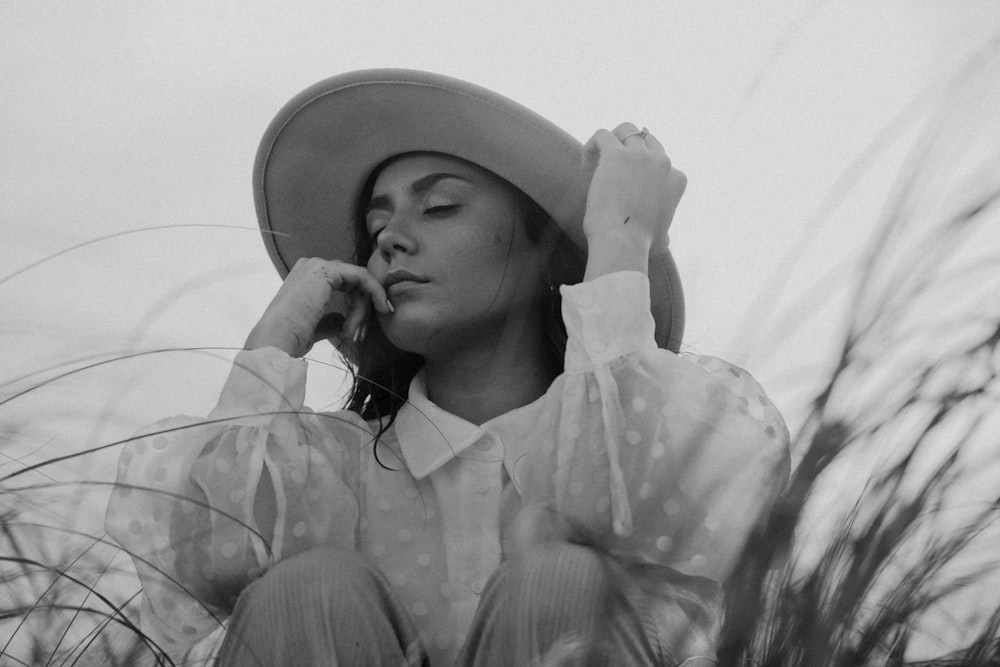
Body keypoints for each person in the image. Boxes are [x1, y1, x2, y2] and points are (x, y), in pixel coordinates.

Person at [105, 69, 790, 666]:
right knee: (306, 586)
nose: (393, 238)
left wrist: (617, 243)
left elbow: (621, 508)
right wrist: (275, 336)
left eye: (439, 206)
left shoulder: (649, 430)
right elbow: (220, 556)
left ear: (545, 257)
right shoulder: (331, 470)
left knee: (563, 580)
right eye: (376, 231)